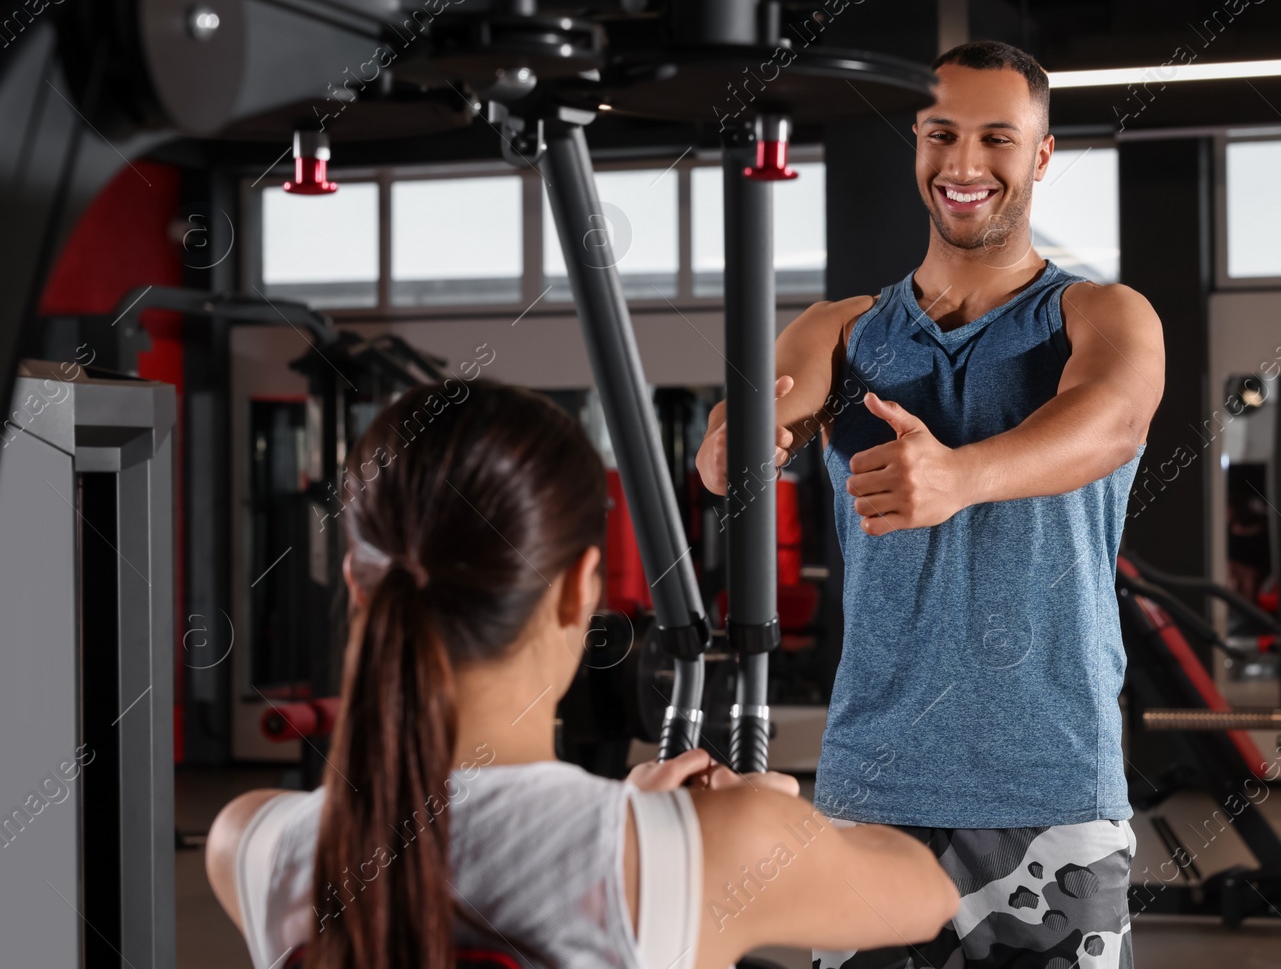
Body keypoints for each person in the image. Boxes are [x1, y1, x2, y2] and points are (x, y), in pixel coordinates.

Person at [205, 380, 959, 969]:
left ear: (357, 583)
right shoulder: (721, 843)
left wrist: (650, 825)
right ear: (581, 587)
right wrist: (757, 822)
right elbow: (926, 891)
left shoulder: (250, 840)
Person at [696, 40, 1165, 968]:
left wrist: (962, 474)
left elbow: (1105, 424)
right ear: (914, 143)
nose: (963, 163)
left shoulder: (1103, 316)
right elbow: (750, 427)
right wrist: (731, 443)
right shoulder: (841, 329)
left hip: (1051, 790)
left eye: (997, 137)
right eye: (940, 134)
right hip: (872, 789)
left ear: (1040, 155)